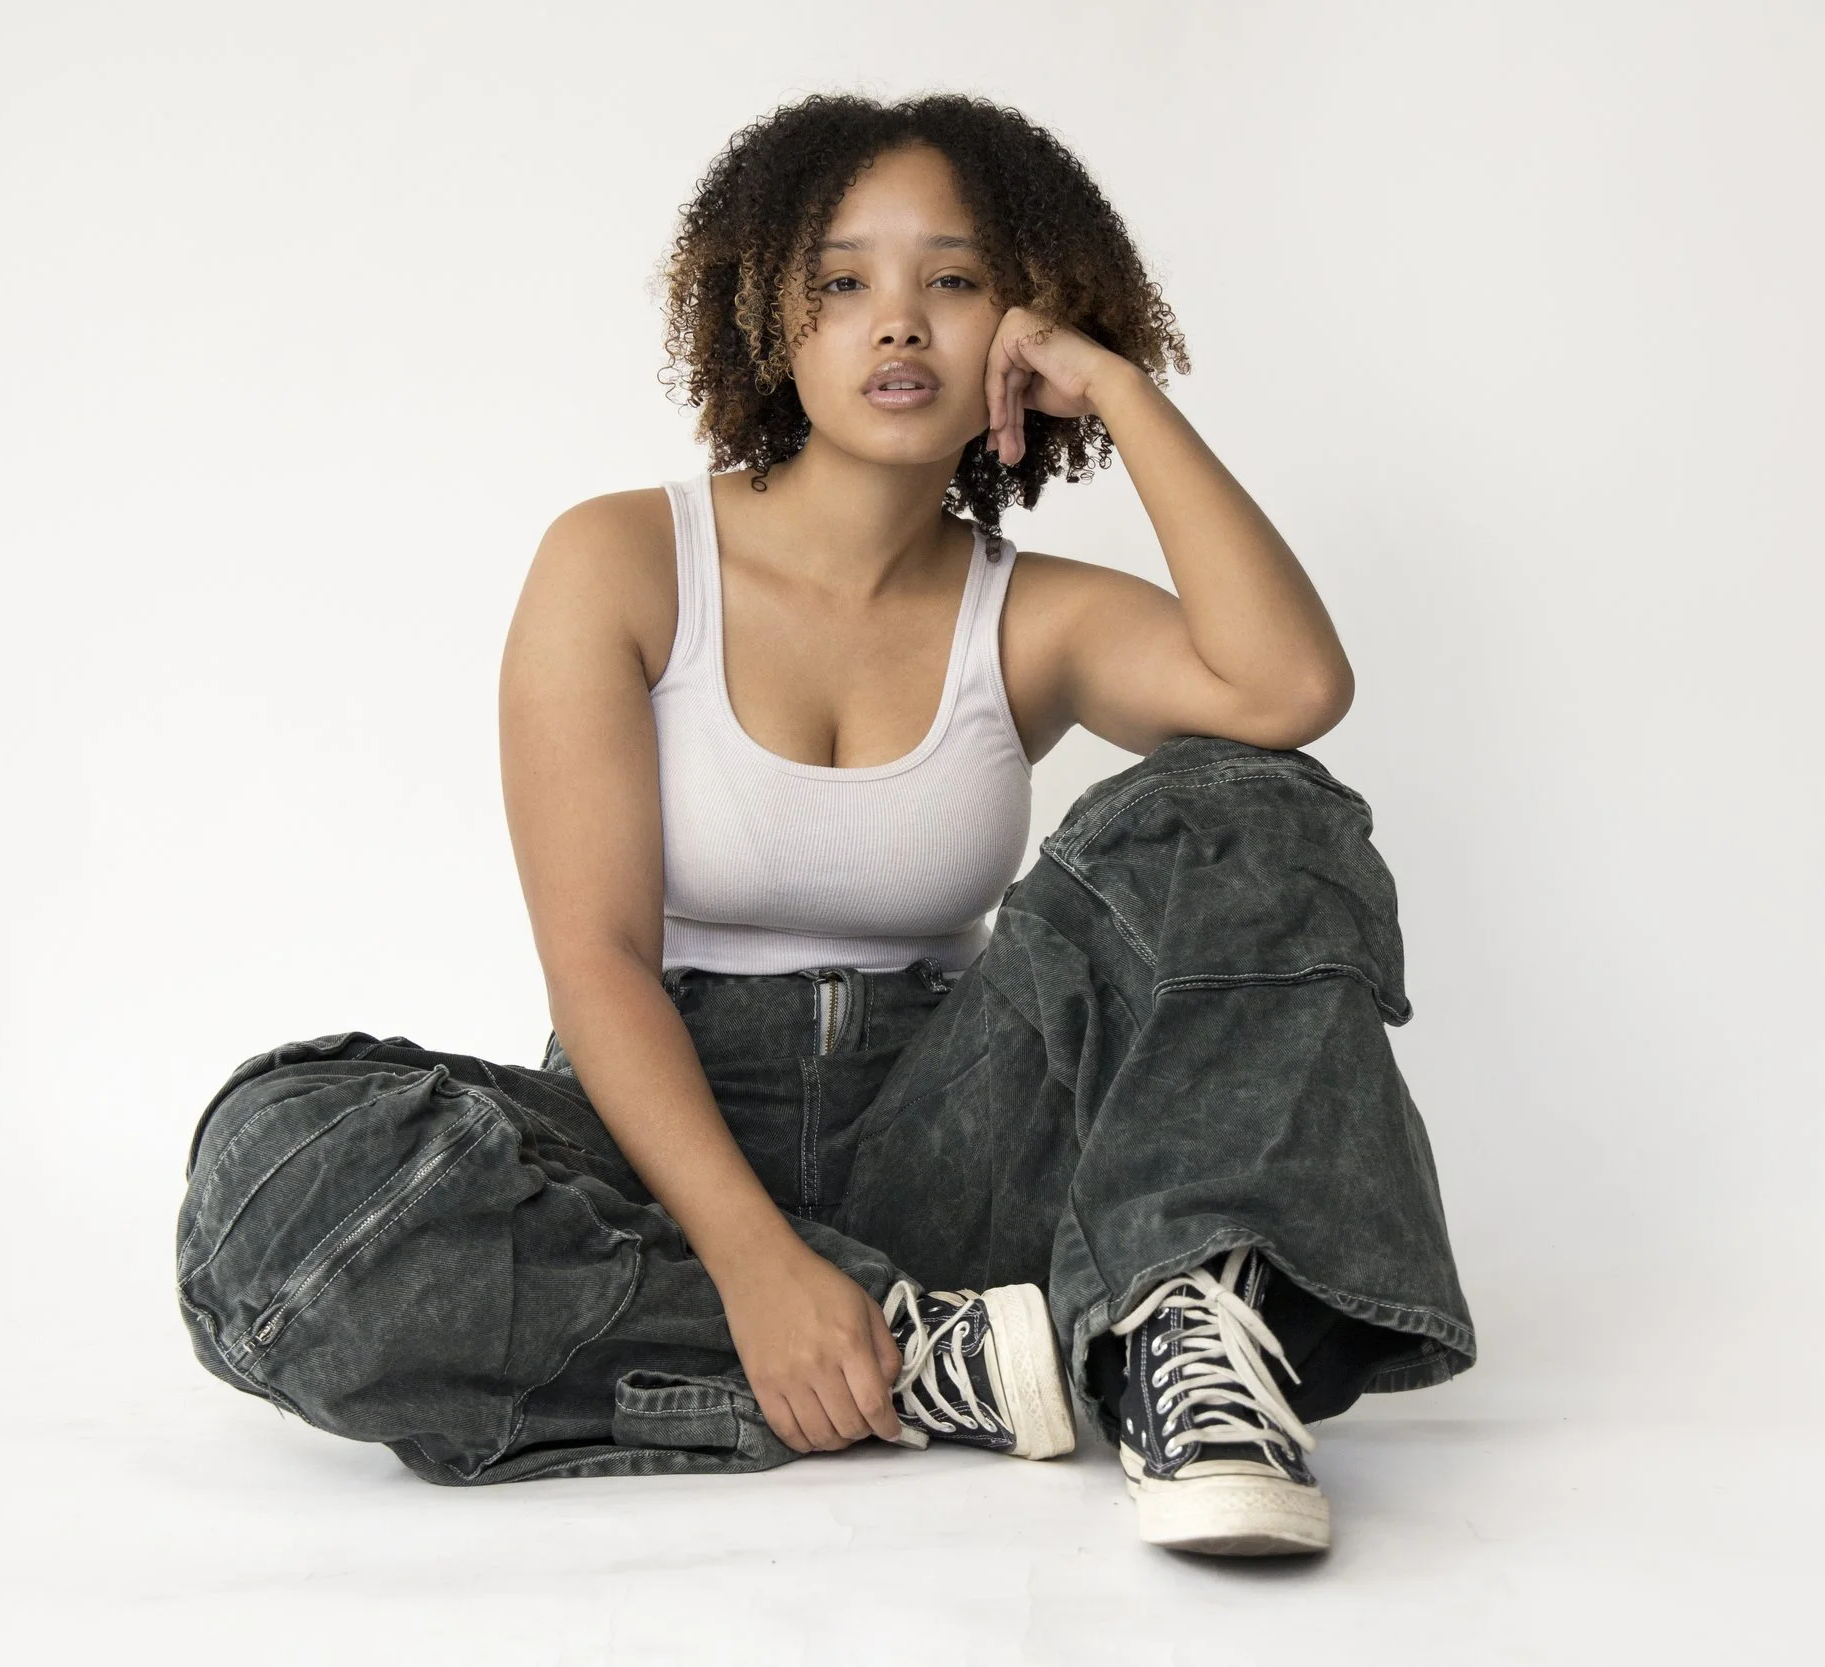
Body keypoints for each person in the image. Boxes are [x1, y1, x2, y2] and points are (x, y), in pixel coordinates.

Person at [175, 91, 1475, 1560]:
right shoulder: (620, 559)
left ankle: (1149, 1314)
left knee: (1247, 807)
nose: (900, 323)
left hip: (953, 1128)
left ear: (1022, 317)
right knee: (272, 1187)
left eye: (956, 281)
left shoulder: (1027, 613)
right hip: (659, 1129)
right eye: (844, 282)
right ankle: (935, 1359)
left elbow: (1287, 687)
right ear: (765, 317)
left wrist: (1117, 387)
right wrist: (749, 1261)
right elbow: (595, 958)